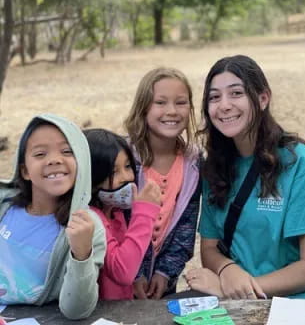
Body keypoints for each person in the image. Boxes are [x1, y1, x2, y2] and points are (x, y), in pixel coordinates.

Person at [185, 54, 305, 300]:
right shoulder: (214, 165)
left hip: (300, 304)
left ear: (263, 98)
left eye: (236, 93)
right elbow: (211, 248)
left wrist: (234, 289)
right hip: (238, 304)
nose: (224, 105)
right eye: (214, 97)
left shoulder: (301, 163)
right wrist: (227, 269)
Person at [0, 114, 106, 319]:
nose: (55, 159)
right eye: (40, 154)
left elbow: (77, 310)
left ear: (81, 163)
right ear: (24, 171)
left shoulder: (86, 226)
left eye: (67, 151)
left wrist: (81, 253)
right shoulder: (4, 207)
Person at [124, 67, 201, 299]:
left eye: (181, 102)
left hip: (163, 288)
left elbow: (186, 228)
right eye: (160, 102)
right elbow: (114, 224)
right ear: (143, 107)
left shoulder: (194, 163)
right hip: (119, 283)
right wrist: (134, 274)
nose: (171, 111)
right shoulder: (123, 158)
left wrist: (165, 273)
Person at [85, 128, 163, 300]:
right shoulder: (91, 218)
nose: (126, 177)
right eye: (114, 172)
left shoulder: (115, 212)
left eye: (128, 166)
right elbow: (122, 271)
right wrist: (144, 213)